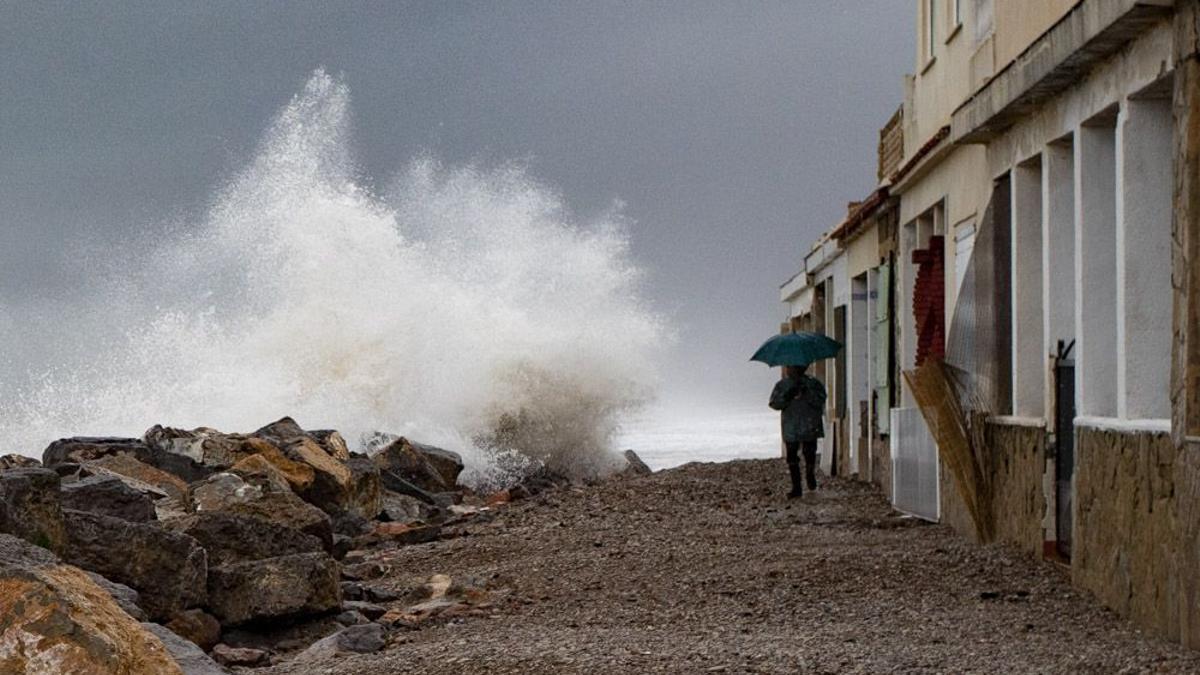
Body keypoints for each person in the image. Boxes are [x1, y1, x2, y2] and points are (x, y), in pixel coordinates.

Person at [768, 364, 826, 498]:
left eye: (791, 367)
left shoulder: (812, 384)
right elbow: (774, 403)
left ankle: (810, 474)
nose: (789, 370)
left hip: (809, 425)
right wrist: (788, 396)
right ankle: (796, 487)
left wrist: (807, 393)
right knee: (792, 457)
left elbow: (820, 400)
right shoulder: (783, 385)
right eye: (788, 367)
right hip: (791, 427)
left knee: (809, 453)